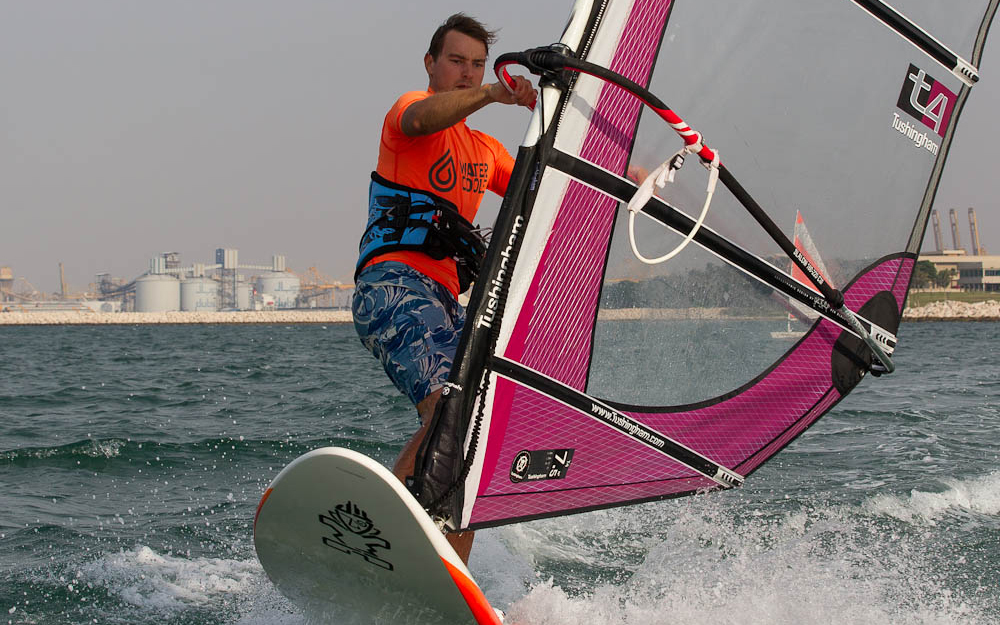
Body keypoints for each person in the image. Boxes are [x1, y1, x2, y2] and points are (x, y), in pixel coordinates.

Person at [351, 14, 535, 564]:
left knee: (477, 425)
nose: (467, 72)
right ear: (431, 63)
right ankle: (378, 544)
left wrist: (629, 172)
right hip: (394, 284)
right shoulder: (409, 112)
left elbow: (543, 184)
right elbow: (423, 117)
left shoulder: (485, 151)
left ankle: (449, 572)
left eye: (477, 64)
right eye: (457, 61)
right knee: (450, 409)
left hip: (445, 302)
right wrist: (493, 93)